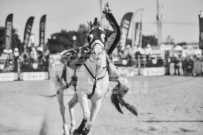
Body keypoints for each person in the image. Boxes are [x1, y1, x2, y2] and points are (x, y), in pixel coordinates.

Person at [61, 4, 121, 83]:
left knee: (114, 72)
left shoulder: (105, 34)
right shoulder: (94, 33)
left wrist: (109, 15)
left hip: (102, 56)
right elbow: (116, 32)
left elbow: (117, 32)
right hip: (94, 56)